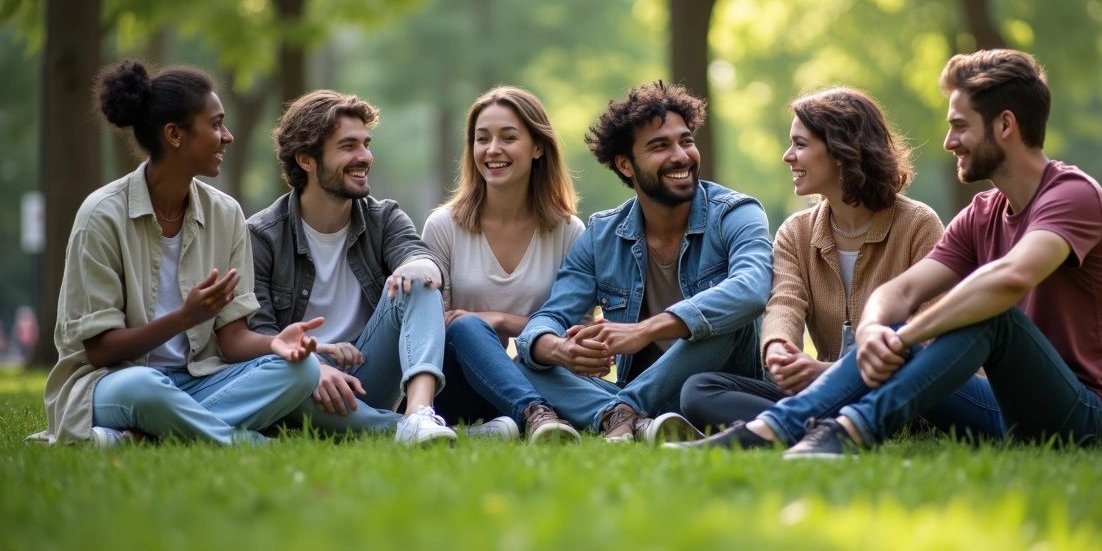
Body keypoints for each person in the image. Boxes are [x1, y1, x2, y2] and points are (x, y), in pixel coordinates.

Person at [674, 49, 1102, 456]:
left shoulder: (1072, 195)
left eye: (959, 126)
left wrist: (901, 339)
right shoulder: (982, 213)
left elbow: (1009, 279)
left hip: (1087, 419)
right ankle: (782, 428)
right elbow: (899, 292)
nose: (949, 141)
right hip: (1006, 410)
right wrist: (875, 330)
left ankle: (838, 430)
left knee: (990, 314)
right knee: (906, 327)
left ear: (1005, 125)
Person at [31, 60, 321, 446]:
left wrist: (274, 343)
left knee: (303, 371)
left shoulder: (226, 214)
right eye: (216, 124)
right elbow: (100, 351)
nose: (228, 136)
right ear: (174, 135)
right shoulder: (101, 215)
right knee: (145, 387)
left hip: (199, 380)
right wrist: (185, 318)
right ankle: (246, 444)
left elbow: (232, 337)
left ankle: (148, 436)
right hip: (113, 381)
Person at [514, 81, 774, 443]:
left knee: (725, 319)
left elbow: (750, 291)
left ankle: (621, 410)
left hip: (718, 391)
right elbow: (550, 317)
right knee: (528, 364)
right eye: (660, 146)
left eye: (686, 141)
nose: (681, 156)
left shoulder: (736, 213)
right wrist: (560, 349)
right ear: (626, 164)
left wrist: (644, 331)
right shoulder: (601, 236)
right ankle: (626, 417)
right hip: (647, 393)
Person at [678, 87, 945, 431]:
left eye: (800, 144)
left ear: (841, 151)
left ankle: (797, 426)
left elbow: (931, 339)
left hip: (903, 390)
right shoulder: (796, 231)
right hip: (824, 393)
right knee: (699, 390)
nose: (787, 156)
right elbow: (785, 302)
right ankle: (823, 427)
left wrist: (828, 372)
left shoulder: (918, 224)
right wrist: (779, 349)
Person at [247, 90, 456, 446]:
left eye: (366, 144)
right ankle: (404, 429)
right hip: (303, 382)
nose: (365, 157)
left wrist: (421, 266)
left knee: (419, 280)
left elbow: (418, 255)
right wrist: (315, 366)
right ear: (306, 160)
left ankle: (420, 413)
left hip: (368, 373)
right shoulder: (262, 236)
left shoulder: (383, 217)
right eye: (348, 146)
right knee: (281, 378)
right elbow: (260, 336)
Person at [423, 86, 583, 444]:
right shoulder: (444, 226)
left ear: (538, 147)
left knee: (477, 326)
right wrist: (478, 324)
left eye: (508, 138)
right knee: (464, 327)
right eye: (482, 139)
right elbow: (434, 327)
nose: (493, 149)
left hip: (534, 374)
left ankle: (506, 424)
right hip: (456, 385)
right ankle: (537, 416)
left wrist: (499, 319)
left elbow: (576, 334)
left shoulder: (568, 232)